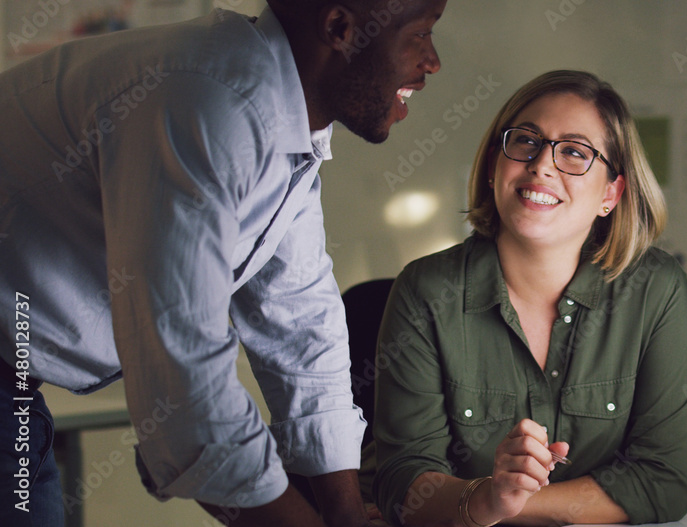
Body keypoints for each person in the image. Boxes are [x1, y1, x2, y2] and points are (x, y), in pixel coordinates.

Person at [0, 0, 447, 526]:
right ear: (341, 28)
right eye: (420, 34)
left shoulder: (275, 113)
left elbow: (300, 324)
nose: (433, 61)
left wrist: (346, 515)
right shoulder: (211, 103)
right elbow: (186, 389)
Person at [371, 70, 687, 526]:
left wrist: (500, 503)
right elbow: (403, 480)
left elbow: (665, 484)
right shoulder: (426, 290)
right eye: (526, 141)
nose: (542, 165)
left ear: (611, 193)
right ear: (492, 165)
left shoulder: (656, 290)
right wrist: (486, 499)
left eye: (575, 153)